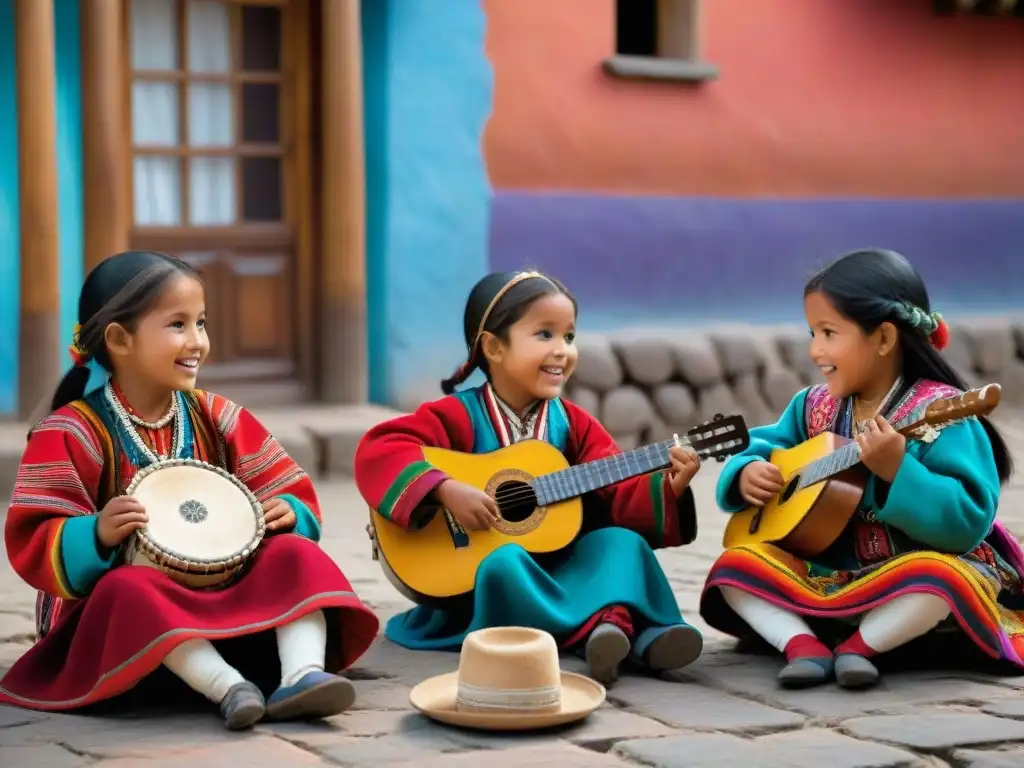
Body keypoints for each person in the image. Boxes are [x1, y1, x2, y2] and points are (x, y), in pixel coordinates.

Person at [0, 251, 380, 729]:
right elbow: (35, 535)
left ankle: (300, 675)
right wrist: (96, 534)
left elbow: (289, 488)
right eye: (177, 325)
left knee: (296, 556)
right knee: (129, 587)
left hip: (222, 595)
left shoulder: (218, 415)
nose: (197, 341)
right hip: (122, 632)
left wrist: (286, 510)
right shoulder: (71, 432)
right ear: (119, 339)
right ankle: (228, 687)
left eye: (201, 323)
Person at [354, 270, 704, 685]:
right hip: (482, 580)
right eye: (545, 335)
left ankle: (651, 632)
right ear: (494, 347)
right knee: (505, 562)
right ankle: (600, 627)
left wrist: (669, 486)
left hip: (562, 567)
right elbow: (380, 448)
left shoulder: (575, 424)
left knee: (621, 543)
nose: (562, 351)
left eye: (569, 337)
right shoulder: (455, 416)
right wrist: (444, 489)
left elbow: (615, 492)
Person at [700, 248, 1023, 690]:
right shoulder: (812, 406)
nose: (816, 350)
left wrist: (897, 472)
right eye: (813, 332)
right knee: (733, 566)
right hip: (827, 576)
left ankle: (860, 648)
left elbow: (966, 521)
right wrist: (746, 471)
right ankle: (802, 645)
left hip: (903, 578)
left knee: (940, 578)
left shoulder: (940, 414)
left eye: (829, 333)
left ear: (885, 339)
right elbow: (764, 444)